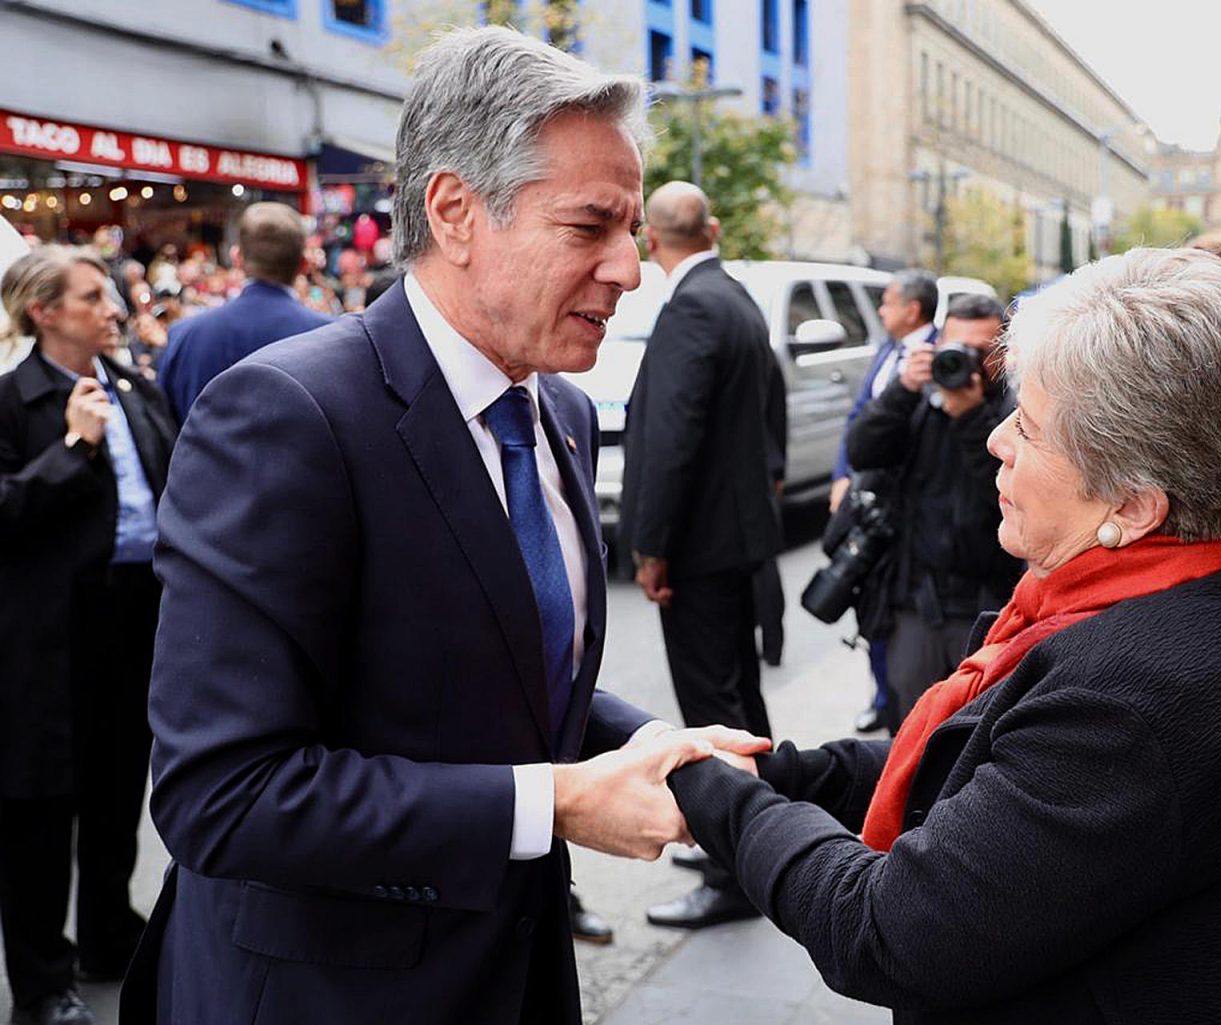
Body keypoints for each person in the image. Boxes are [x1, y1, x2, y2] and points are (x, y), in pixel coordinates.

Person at [119, 28, 764, 1025]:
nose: (631, 268)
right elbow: (224, 792)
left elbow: (507, 682)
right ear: (456, 211)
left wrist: (650, 747)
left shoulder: (563, 412)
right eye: (592, 226)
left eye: (633, 228)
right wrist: (553, 802)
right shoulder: (289, 416)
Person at [666, 247, 1221, 1023]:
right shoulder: (1192, 589)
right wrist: (780, 772)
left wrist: (715, 796)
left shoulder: (1135, 697)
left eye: (1027, 428)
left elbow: (891, 930)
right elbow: (985, 768)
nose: (997, 442)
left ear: (1131, 507)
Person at [0, 246, 177, 1025]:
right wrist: (73, 448)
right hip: (47, 633)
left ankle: (109, 932)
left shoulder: (136, 386)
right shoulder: (13, 400)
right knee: (41, 803)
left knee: (116, 785)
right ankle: (42, 978)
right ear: (44, 311)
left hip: (136, 616)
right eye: (92, 297)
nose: (112, 309)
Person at [619, 181, 785, 929]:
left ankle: (733, 870)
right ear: (710, 228)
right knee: (739, 700)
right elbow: (769, 411)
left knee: (714, 712)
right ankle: (756, 840)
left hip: (700, 545)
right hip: (737, 535)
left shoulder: (692, 305)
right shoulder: (737, 296)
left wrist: (651, 544)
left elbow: (672, 437)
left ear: (652, 239)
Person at [845, 292, 1020, 724]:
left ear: (1002, 352)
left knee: (978, 730)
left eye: (981, 351)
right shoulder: (919, 399)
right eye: (956, 348)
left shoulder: (1015, 411)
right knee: (912, 728)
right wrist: (904, 389)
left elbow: (1011, 498)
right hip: (917, 599)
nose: (968, 361)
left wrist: (971, 418)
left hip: (989, 603)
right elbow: (862, 451)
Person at [832, 269, 939, 734]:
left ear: (912, 309)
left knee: (900, 620)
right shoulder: (887, 351)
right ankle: (881, 694)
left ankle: (898, 703)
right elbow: (860, 417)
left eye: (888, 303)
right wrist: (842, 476)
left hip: (910, 512)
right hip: (866, 499)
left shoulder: (940, 354)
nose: (880, 311)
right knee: (867, 603)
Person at [156, 203, 332, 423]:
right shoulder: (332, 338)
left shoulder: (185, 336)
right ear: (304, 264)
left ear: (237, 257)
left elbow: (163, 427)